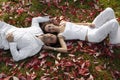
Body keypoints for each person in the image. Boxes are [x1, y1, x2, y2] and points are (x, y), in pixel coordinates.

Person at [41, 7, 120, 53]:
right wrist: (50, 48)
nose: (51, 28)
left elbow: (77, 24)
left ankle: (115, 34)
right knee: (113, 23)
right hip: (92, 36)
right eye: (49, 30)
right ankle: (114, 41)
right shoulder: (60, 36)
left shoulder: (63, 22)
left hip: (91, 27)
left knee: (109, 10)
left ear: (51, 24)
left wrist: (88, 24)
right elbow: (65, 49)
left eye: (49, 26)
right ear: (51, 33)